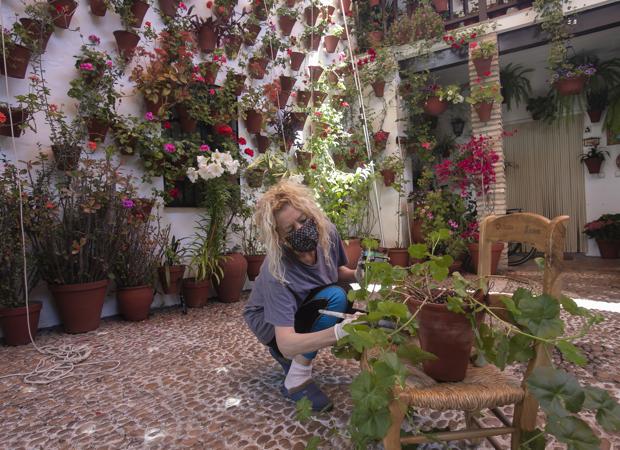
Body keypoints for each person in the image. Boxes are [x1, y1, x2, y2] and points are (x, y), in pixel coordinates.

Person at [243, 180, 362, 412]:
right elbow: (287, 343)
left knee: (342, 293)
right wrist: (340, 332)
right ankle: (296, 377)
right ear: (278, 237)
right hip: (271, 323)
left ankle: (298, 358)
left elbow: (336, 272)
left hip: (306, 303)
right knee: (336, 298)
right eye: (290, 229)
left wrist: (359, 274)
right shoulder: (276, 270)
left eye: (304, 220)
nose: (301, 229)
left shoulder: (326, 233)